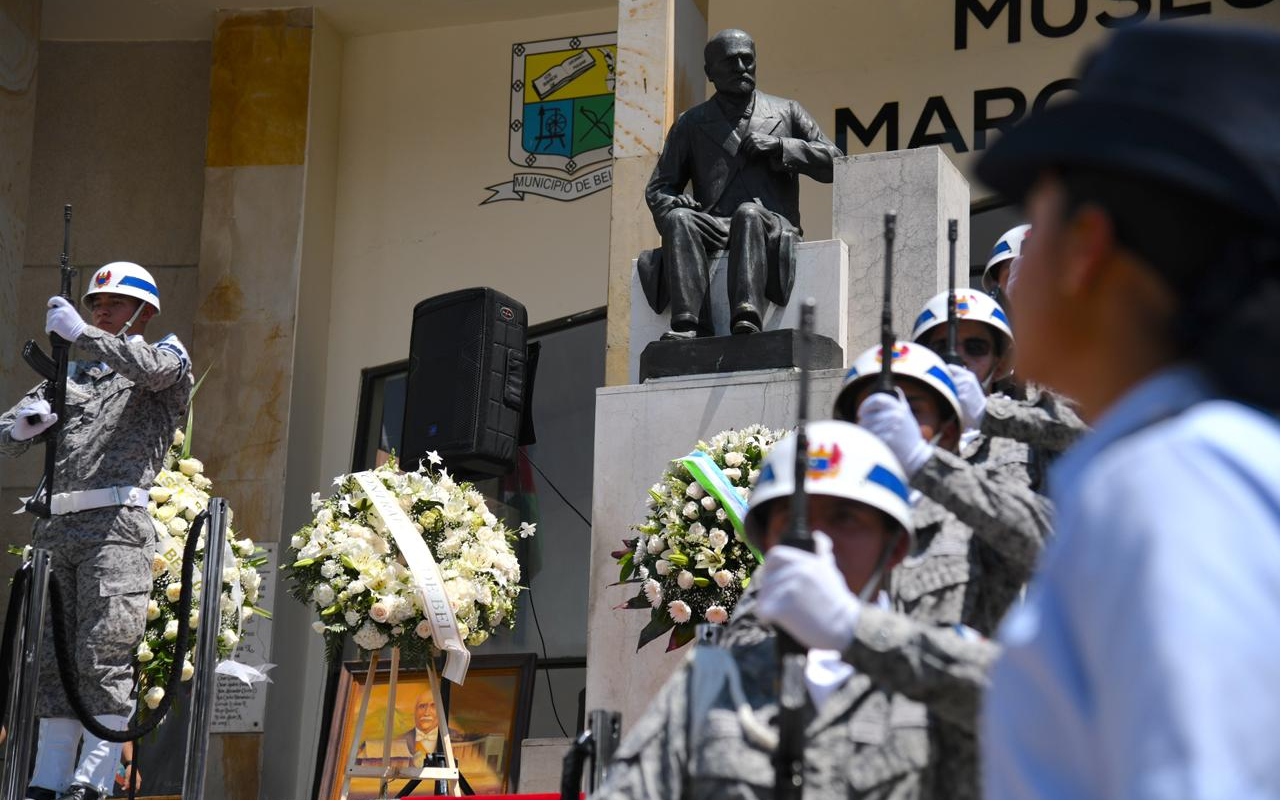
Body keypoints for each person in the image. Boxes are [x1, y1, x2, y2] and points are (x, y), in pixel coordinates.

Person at [973, 23, 1280, 800]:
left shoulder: (1172, 486)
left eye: (1035, 217)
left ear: (1086, 248)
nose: (1009, 283)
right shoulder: (1196, 467)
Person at [594, 421, 927, 800]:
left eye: (844, 520)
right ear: (765, 544)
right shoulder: (715, 681)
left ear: (895, 545)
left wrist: (857, 630)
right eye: (793, 523)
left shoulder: (935, 672)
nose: (814, 542)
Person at [0, 262, 192, 800]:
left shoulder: (168, 356)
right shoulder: (71, 375)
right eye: (93, 306)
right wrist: (21, 427)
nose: (99, 312)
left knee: (102, 653)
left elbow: (155, 372)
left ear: (143, 313)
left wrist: (85, 337)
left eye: (112, 305)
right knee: (53, 658)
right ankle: (50, 776)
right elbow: (5, 437)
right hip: (58, 528)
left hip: (115, 529)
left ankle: (95, 777)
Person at [829, 342, 1052, 800]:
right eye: (873, 409)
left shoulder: (973, 514)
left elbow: (1046, 541)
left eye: (914, 407)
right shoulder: (820, 531)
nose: (890, 420)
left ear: (949, 429)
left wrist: (923, 461)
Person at [641, 28, 841, 339]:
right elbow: (659, 188)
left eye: (747, 60)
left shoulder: (786, 111)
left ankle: (747, 317)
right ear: (710, 73)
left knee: (748, 213)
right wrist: (675, 203)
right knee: (680, 220)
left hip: (771, 223)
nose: (741, 68)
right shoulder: (690, 122)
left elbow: (835, 161)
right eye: (730, 61)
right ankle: (689, 324)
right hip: (715, 225)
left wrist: (780, 147)